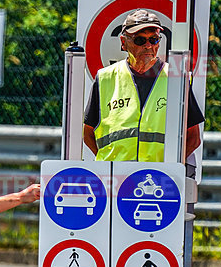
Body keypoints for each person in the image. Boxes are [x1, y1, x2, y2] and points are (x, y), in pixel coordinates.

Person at [82, 9, 204, 162]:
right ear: (123, 43)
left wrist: (170, 168)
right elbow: (87, 133)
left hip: (159, 178)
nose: (148, 46)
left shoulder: (177, 79)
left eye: (153, 40)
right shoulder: (105, 78)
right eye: (140, 40)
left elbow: (193, 138)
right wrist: (109, 164)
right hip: (114, 178)